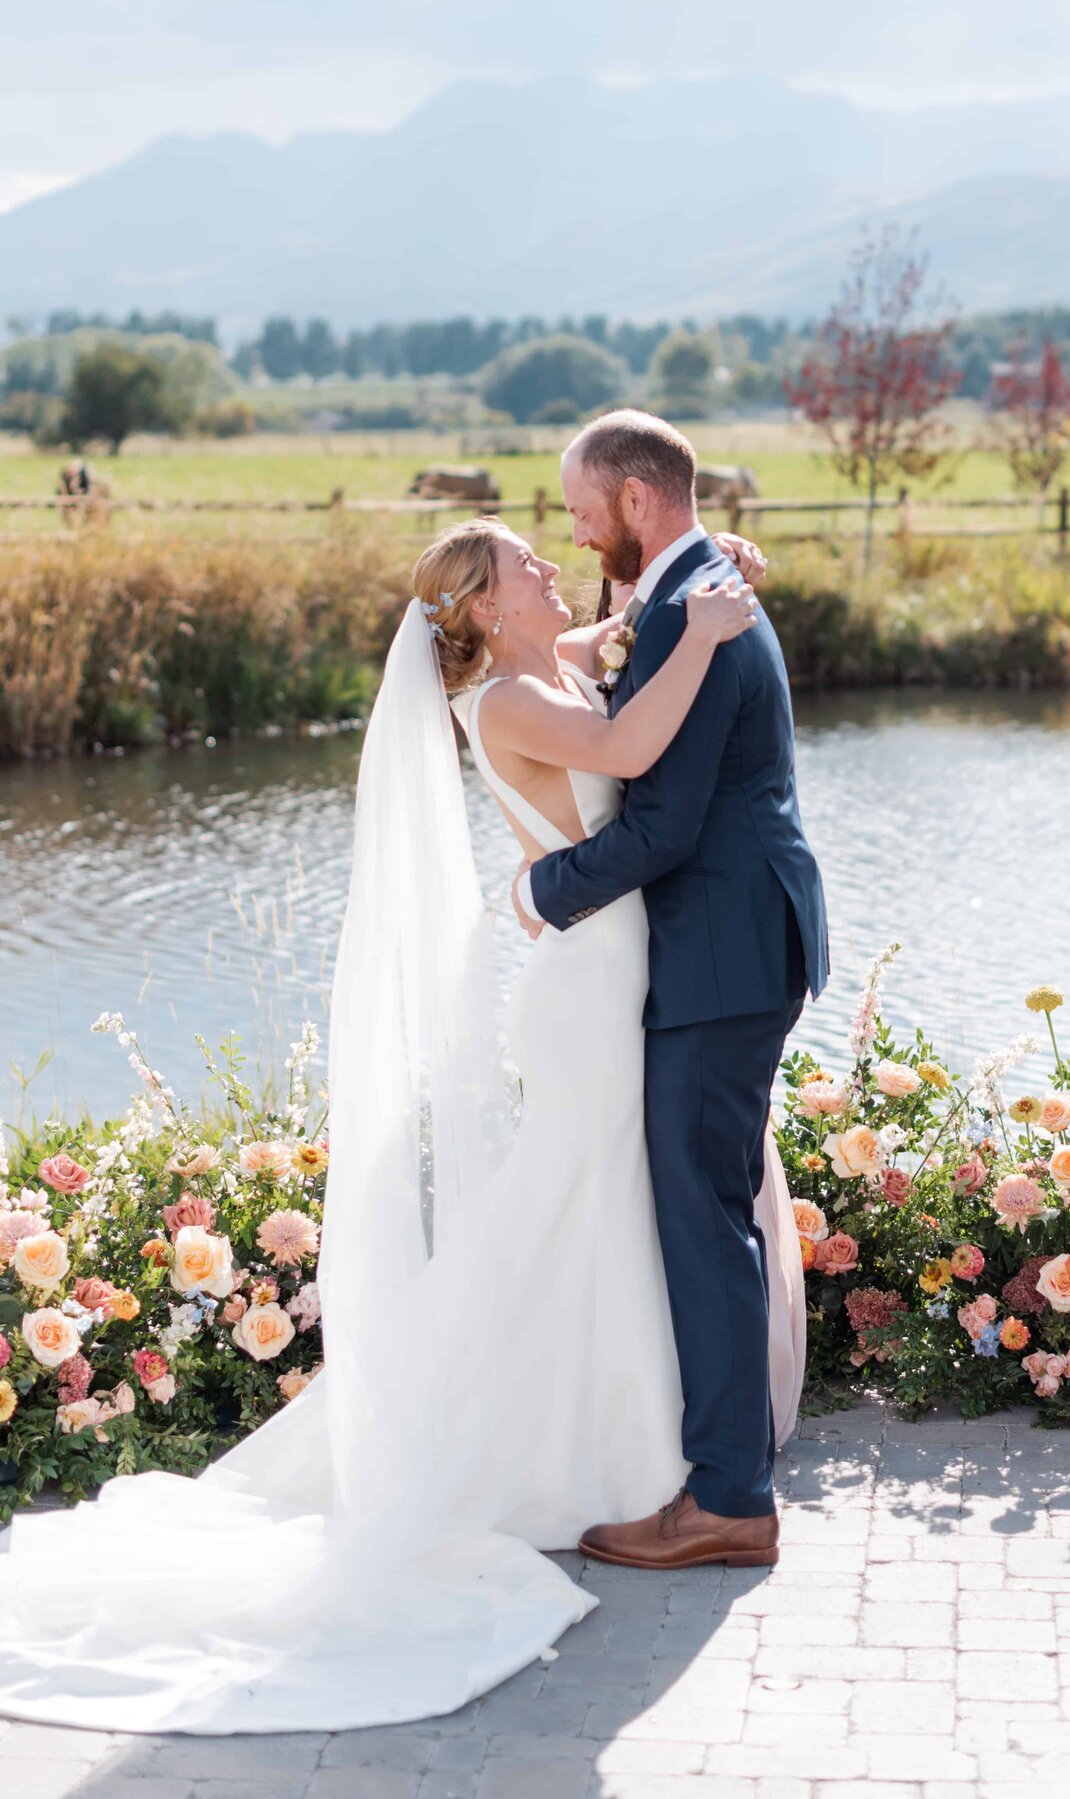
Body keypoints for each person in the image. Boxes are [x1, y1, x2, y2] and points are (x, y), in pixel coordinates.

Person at [0, 510, 805, 1735]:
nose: (552, 565)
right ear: (484, 604)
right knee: (574, 1201)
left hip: (612, 970)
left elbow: (613, 637)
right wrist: (705, 629)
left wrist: (709, 578)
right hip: (589, 989)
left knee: (594, 1207)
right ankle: (525, 1438)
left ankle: (634, 1444)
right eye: (528, 564)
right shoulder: (511, 705)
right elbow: (638, 737)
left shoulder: (547, 664)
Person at [515, 409, 828, 1570]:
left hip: (721, 953)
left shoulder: (694, 605)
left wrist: (542, 891)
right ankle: (726, 1467)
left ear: (635, 499)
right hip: (737, 943)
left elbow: (661, 823)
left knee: (703, 1224)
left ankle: (729, 1500)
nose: (575, 526)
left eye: (582, 507)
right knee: (715, 1211)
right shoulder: (698, 585)